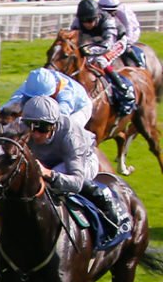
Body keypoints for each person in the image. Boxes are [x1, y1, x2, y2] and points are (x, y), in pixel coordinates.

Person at [21, 96, 131, 239]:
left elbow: (76, 181)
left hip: (83, 161)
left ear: (54, 125)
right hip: (53, 159)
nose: (35, 134)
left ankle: (102, 197)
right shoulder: (23, 124)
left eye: (42, 128)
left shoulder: (70, 134)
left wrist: (50, 174)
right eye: (31, 127)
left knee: (53, 181)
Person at [73, 0, 136, 115]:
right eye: (84, 21)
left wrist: (88, 52)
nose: (87, 24)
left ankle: (125, 91)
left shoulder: (108, 20)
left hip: (116, 41)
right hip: (94, 42)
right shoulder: (77, 21)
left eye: (90, 20)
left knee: (101, 60)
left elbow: (107, 45)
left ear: (97, 16)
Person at [5, 67, 92, 129]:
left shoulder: (65, 91)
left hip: (78, 109)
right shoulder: (30, 86)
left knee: (66, 130)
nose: (38, 102)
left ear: (54, 91)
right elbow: (14, 101)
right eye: (33, 98)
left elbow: (62, 115)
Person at [98, 0, 145, 68]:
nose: (109, 14)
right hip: (114, 30)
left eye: (112, 11)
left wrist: (127, 41)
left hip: (132, 31)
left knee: (126, 48)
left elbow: (129, 28)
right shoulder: (98, 11)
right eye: (106, 11)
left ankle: (139, 63)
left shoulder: (123, 12)